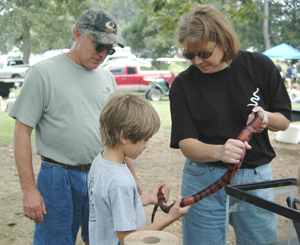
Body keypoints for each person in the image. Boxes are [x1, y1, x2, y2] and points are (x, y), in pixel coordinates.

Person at [8, 9, 142, 245]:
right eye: (98, 45)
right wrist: (29, 189)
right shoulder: (43, 73)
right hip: (56, 176)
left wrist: (131, 176)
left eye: (109, 50)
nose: (102, 54)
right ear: (78, 35)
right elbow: (22, 132)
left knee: (103, 240)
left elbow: (115, 137)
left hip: (102, 172)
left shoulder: (107, 79)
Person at [170, 4, 291, 245]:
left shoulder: (259, 65)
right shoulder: (182, 85)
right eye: (189, 55)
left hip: (255, 179)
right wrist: (219, 151)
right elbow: (186, 143)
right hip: (202, 177)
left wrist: (265, 117)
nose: (196, 61)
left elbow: (284, 120)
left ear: (224, 41)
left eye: (203, 53)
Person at [88, 91, 191, 245]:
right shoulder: (120, 182)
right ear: (124, 137)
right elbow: (128, 238)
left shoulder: (101, 160)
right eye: (144, 139)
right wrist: (170, 217)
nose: (147, 145)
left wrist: (148, 198)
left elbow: (111, 206)